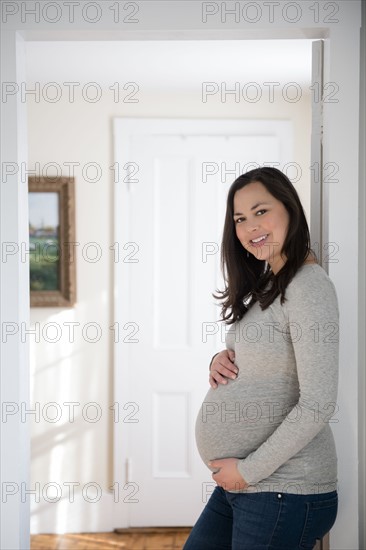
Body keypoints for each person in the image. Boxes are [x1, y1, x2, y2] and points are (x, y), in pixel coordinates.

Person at [183, 167, 339, 550]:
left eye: (260, 211)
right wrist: (220, 360)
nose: (251, 226)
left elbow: (318, 403)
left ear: (289, 210)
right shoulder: (272, 283)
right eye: (240, 219)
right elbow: (268, 359)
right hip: (252, 486)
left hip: (284, 487)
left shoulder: (308, 287)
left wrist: (248, 472)